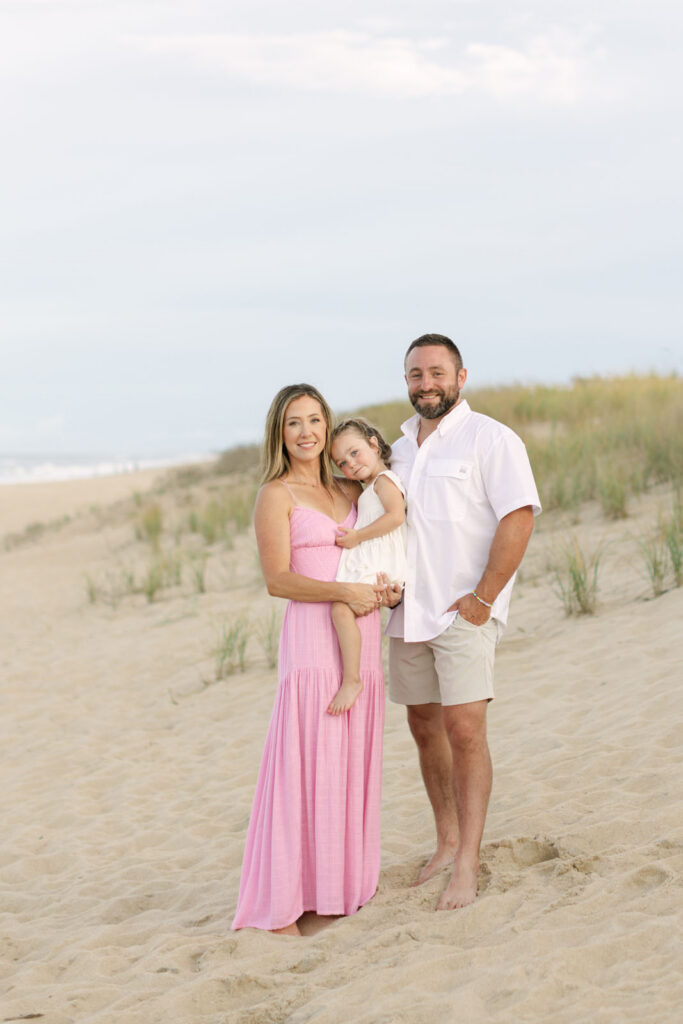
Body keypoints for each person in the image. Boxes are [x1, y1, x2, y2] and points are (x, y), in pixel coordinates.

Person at [384, 334, 541, 911]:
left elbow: (518, 518)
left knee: (465, 731)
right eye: (414, 375)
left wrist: (483, 598)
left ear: (461, 376)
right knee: (424, 726)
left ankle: (469, 860)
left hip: (462, 611)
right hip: (407, 614)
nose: (425, 383)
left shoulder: (491, 439)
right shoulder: (395, 449)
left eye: (435, 372)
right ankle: (446, 840)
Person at [231, 384, 386, 936]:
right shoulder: (276, 494)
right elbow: (279, 581)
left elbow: (377, 549)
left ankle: (335, 894)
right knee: (306, 759)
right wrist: (344, 594)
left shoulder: (348, 487)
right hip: (313, 640)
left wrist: (382, 590)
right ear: (280, 431)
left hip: (363, 634)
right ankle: (282, 907)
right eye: (294, 422)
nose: (306, 432)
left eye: (315, 420)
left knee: (347, 763)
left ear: (328, 425)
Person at [327, 418, 408, 716]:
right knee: (340, 608)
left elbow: (396, 516)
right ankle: (352, 676)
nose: (350, 464)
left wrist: (358, 536)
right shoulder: (370, 486)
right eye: (342, 462)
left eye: (355, 452)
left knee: (339, 608)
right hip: (375, 563)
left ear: (374, 444)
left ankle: (352, 678)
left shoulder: (385, 481)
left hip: (381, 565)